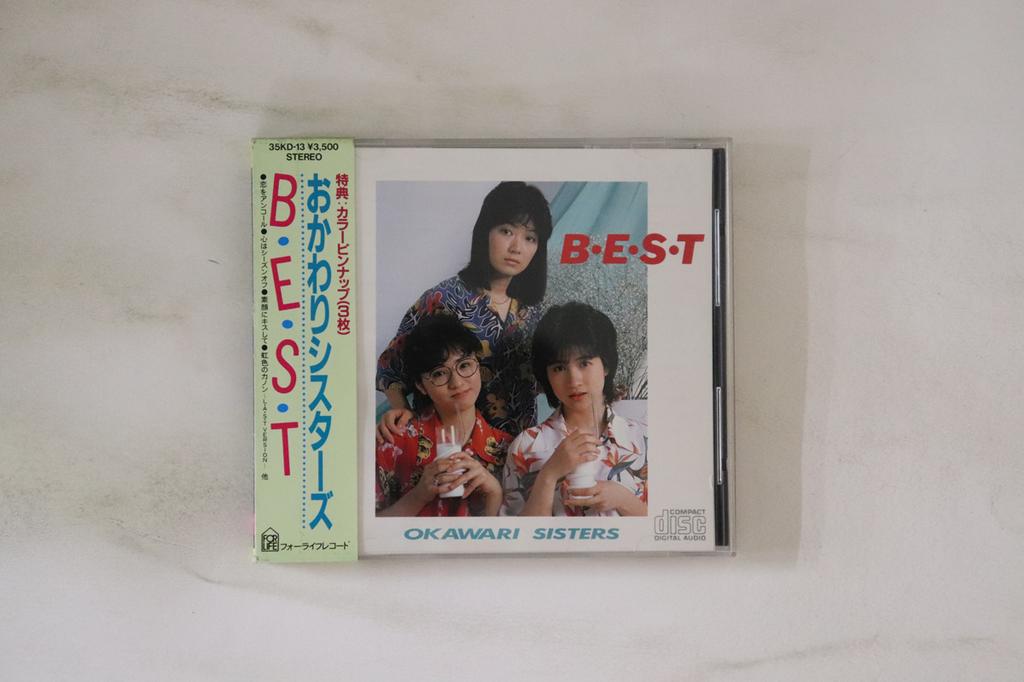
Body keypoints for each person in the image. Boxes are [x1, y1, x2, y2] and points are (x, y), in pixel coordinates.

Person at [376, 181, 552, 440]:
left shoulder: (534, 310)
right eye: (506, 231)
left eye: (530, 238)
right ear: (485, 231)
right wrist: (404, 415)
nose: (517, 247)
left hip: (518, 448)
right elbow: (389, 367)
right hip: (450, 448)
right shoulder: (443, 299)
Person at [502, 302, 648, 517]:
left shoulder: (644, 439)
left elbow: (667, 529)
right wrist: (549, 475)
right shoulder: (525, 446)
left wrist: (624, 500)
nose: (573, 380)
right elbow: (515, 535)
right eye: (559, 368)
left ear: (606, 365)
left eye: (584, 363)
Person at [376, 314, 512, 517]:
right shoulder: (393, 441)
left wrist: (494, 493)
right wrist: (418, 496)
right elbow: (361, 528)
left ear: (479, 367)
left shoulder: (507, 449)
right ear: (421, 386)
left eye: (464, 365)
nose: (457, 383)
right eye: (439, 373)